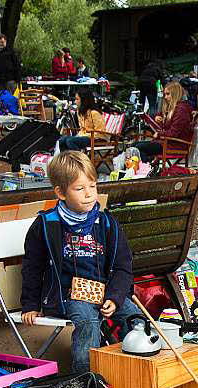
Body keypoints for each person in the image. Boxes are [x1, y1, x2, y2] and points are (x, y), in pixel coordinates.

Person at [19, 151, 143, 375]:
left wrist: (115, 297)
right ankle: (85, 379)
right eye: (79, 188)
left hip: (104, 293)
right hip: (68, 295)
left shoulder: (106, 223)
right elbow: (32, 267)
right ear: (61, 192)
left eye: (93, 186)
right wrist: (30, 304)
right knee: (87, 322)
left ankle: (133, 371)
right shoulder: (47, 225)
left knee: (136, 319)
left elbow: (123, 266)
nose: (88, 194)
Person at [128, 81, 194, 163]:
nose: (165, 97)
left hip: (175, 144)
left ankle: (146, 169)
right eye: (165, 94)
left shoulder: (181, 110)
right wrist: (157, 119)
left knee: (139, 147)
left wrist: (159, 134)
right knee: (134, 146)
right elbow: (163, 127)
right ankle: (145, 168)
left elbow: (174, 133)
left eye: (168, 94)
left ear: (175, 94)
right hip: (166, 141)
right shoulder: (171, 108)